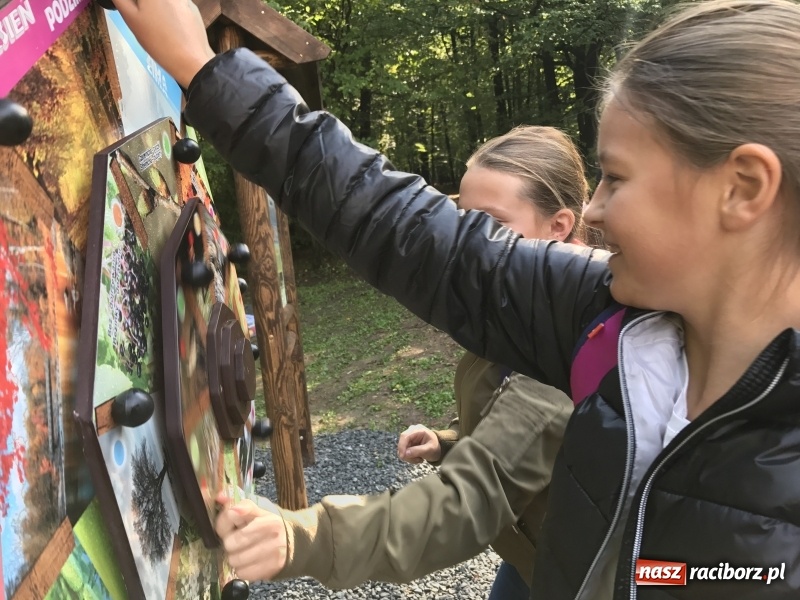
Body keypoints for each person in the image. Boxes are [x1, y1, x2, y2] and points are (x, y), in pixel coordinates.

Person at [115, 0, 800, 598]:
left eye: (617, 178)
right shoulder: (611, 321)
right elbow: (411, 230)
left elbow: (472, 498)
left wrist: (307, 539)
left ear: (741, 189)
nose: (593, 209)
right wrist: (204, 71)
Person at [396, 125, 588, 600]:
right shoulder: (513, 303)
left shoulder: (573, 336)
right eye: (463, 220)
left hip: (581, 570)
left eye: (491, 222)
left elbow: (477, 497)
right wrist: (445, 442)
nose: (467, 241)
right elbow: (518, 432)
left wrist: (310, 539)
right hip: (529, 555)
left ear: (558, 226)